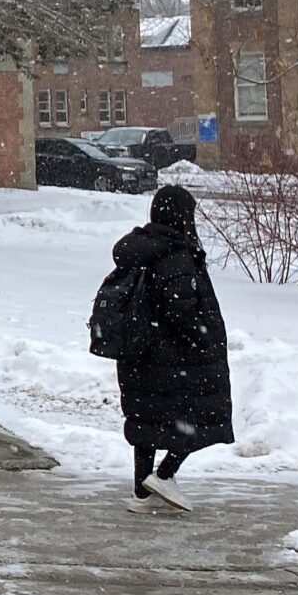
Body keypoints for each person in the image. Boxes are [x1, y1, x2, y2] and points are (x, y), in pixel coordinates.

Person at [108, 183, 234, 511]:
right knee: (200, 417)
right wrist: (204, 338)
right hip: (174, 356)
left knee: (148, 422)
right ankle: (164, 475)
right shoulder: (176, 255)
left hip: (140, 353)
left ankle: (141, 495)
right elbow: (179, 310)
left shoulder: (143, 250)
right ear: (182, 217)